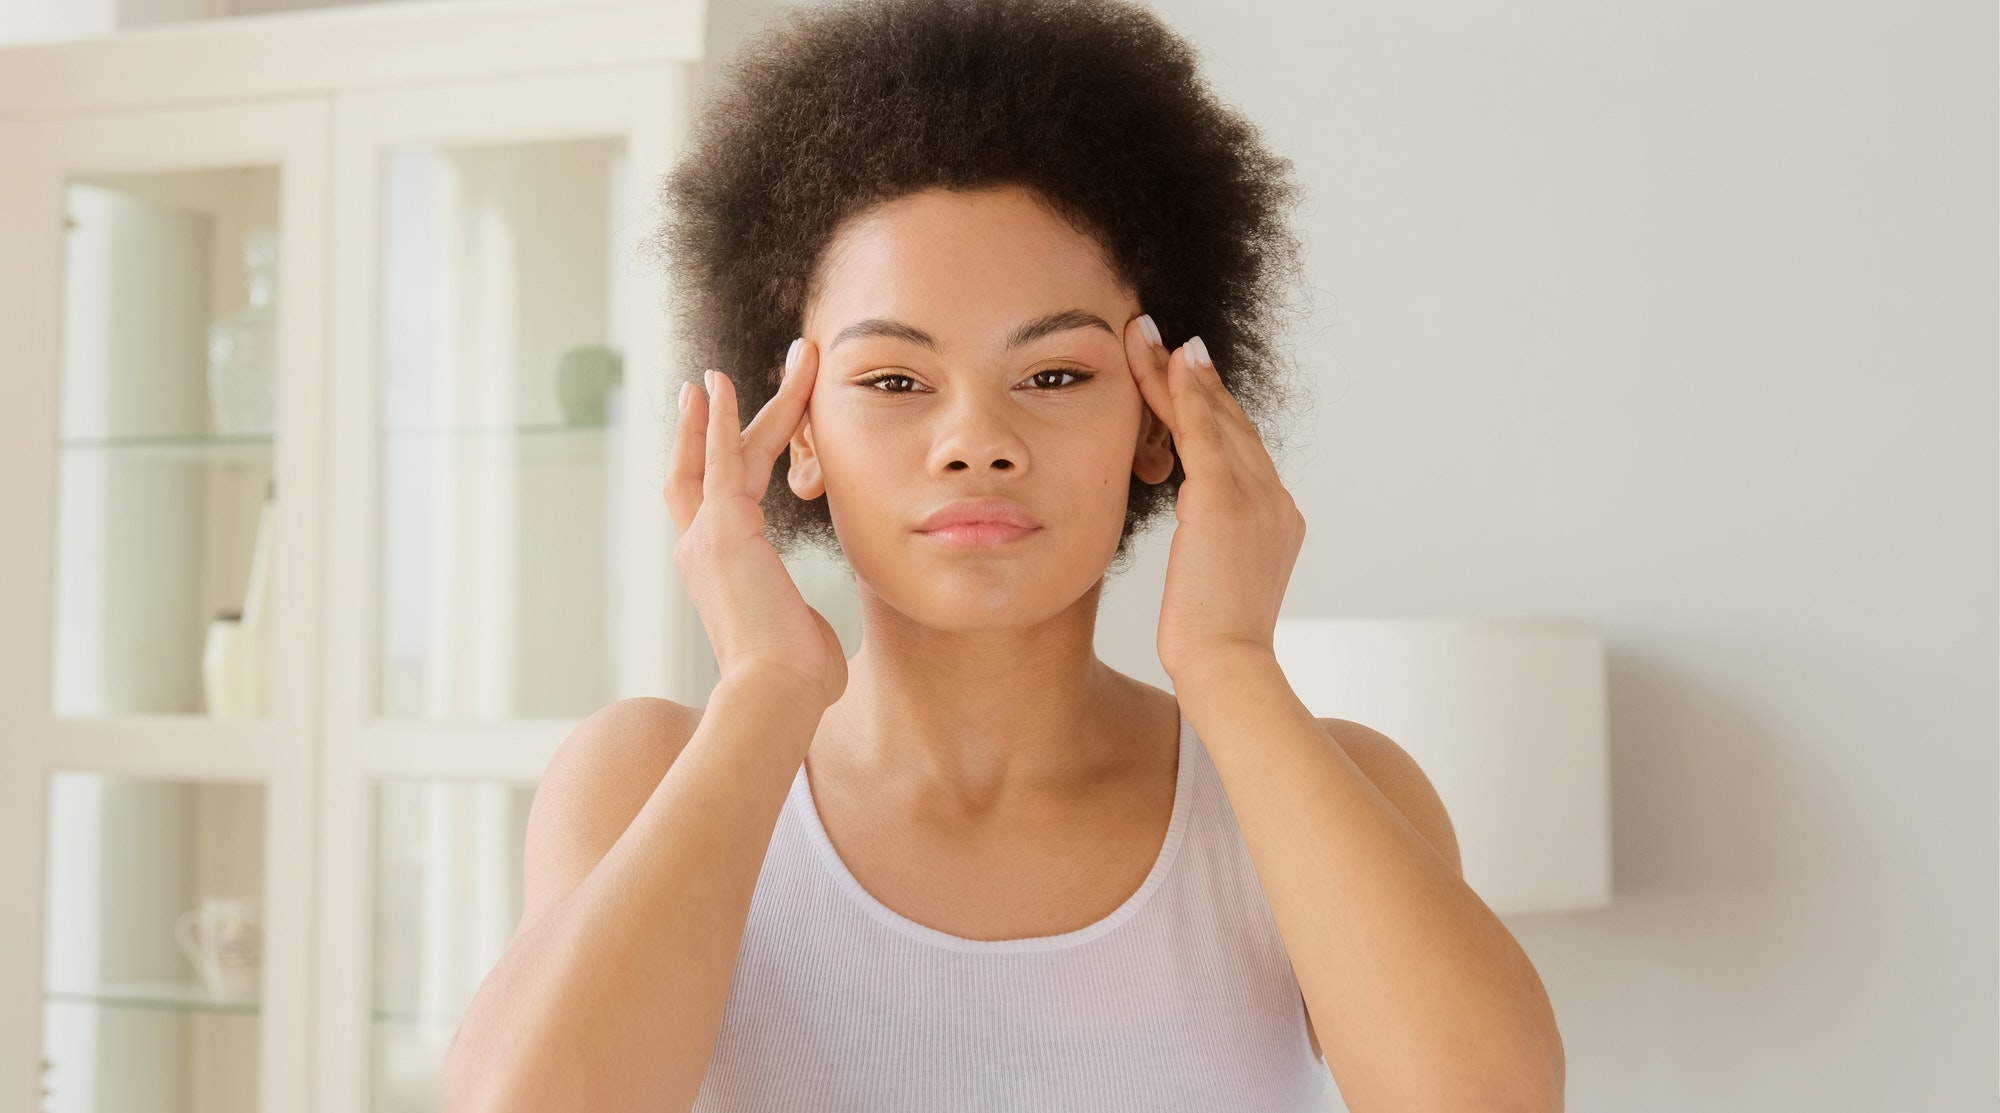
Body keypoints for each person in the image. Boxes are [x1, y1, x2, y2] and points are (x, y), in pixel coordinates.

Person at [443, 0, 1564, 1110]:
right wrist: (768, 687)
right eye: (892, 381)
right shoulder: (641, 780)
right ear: (795, 439)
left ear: (1160, 420)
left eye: (1054, 375)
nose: (975, 442)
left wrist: (1227, 658)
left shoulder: (1332, 789)